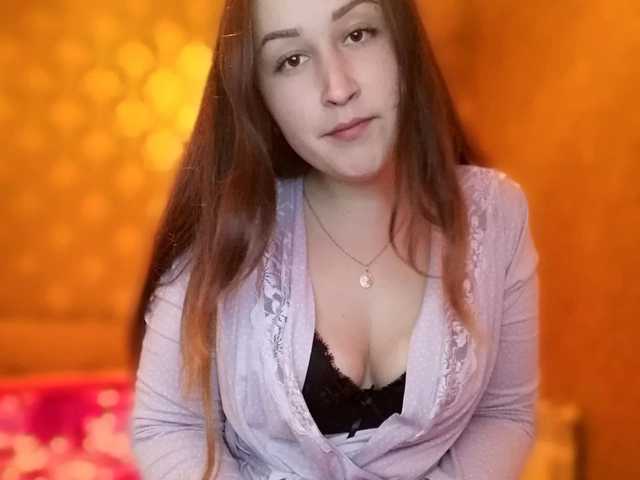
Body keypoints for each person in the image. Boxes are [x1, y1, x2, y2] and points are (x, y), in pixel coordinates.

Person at [129, 0, 540, 479]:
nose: (339, 88)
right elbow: (168, 425)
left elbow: (503, 411)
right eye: (291, 60)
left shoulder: (496, 213)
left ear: (403, 41)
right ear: (259, 96)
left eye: (357, 34)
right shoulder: (224, 229)